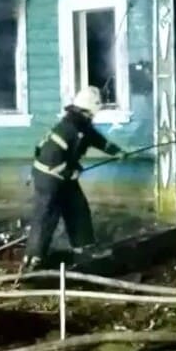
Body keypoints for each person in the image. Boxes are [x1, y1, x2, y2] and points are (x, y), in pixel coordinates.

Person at [21, 86, 125, 275]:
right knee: (46, 216)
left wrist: (116, 151)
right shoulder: (68, 129)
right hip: (48, 177)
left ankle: (84, 248)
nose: (94, 115)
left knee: (78, 208)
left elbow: (96, 139)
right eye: (94, 110)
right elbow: (50, 157)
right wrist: (69, 173)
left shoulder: (81, 124)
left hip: (63, 175)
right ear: (87, 109)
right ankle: (33, 259)